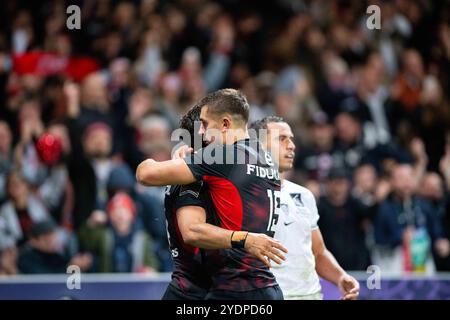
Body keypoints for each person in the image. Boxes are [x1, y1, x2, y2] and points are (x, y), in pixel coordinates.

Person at [137, 89, 285, 300]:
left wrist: (177, 157)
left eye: (205, 125)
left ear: (225, 124)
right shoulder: (265, 156)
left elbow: (145, 174)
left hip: (231, 290)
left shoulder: (220, 157)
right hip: (266, 286)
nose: (202, 133)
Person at [250, 116, 359, 300]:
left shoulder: (304, 195)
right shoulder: (244, 196)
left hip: (312, 295)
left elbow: (318, 252)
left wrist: (340, 276)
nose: (291, 145)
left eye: (291, 139)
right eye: (281, 139)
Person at [18, 220, 92, 274]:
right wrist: (70, 268)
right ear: (34, 240)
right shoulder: (26, 258)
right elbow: (45, 279)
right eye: (47, 236)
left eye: (53, 235)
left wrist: (82, 263)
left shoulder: (56, 255)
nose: (52, 240)